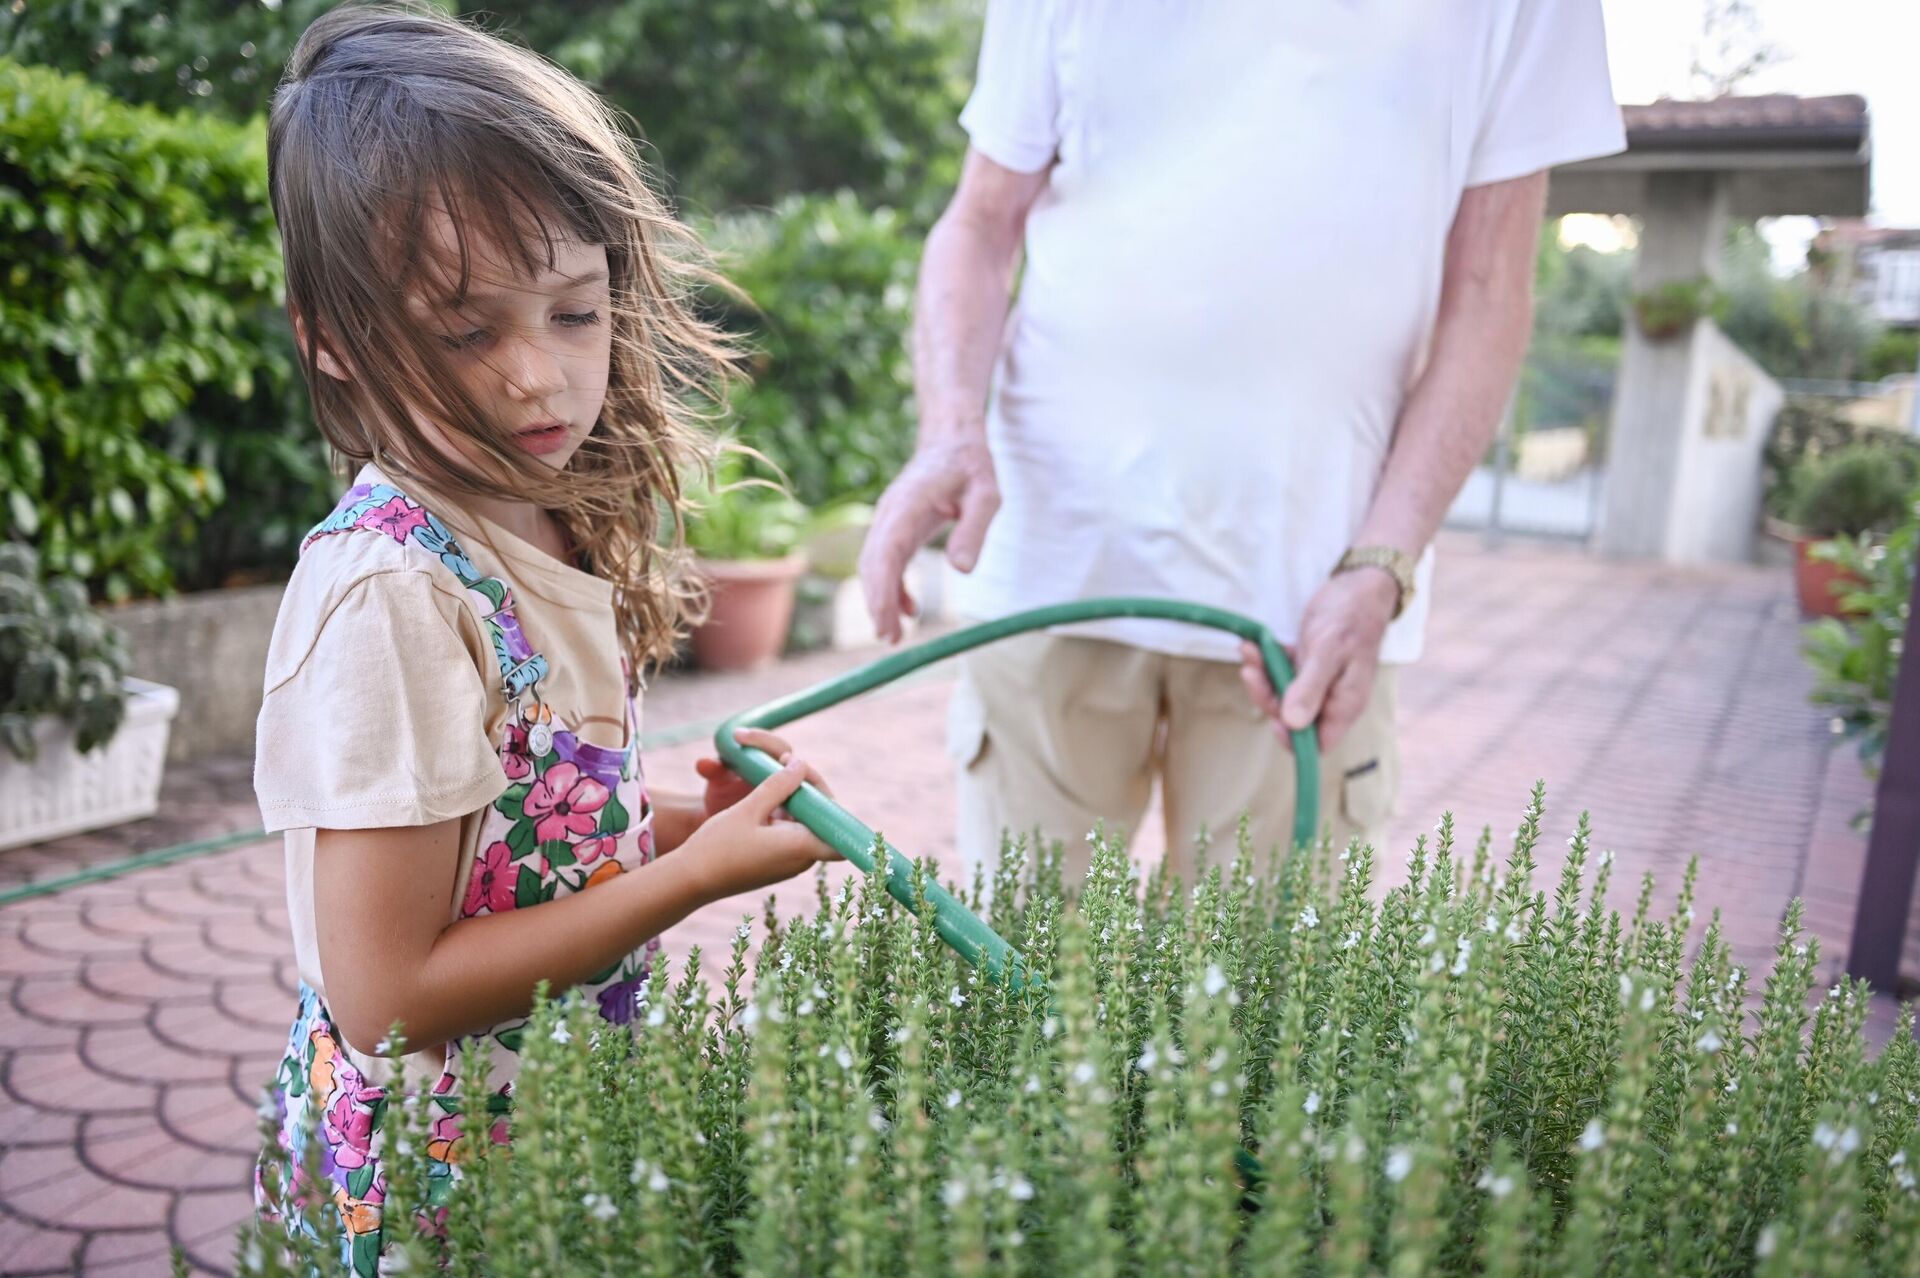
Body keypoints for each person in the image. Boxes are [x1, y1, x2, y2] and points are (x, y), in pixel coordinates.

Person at [250, 6, 839, 1269]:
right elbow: (388, 996)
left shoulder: (541, 512)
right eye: (467, 332)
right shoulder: (396, 596)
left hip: (549, 1124)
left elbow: (517, 843)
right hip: (435, 1179)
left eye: (575, 313)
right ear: (331, 336)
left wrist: (697, 821)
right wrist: (687, 882)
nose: (540, 378)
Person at [860, 0, 1626, 885]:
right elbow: (981, 222)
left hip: (1314, 605)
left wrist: (1381, 564)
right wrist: (949, 430)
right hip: (1055, 558)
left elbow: (1491, 291)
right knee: (1014, 987)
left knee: (1265, 1012)